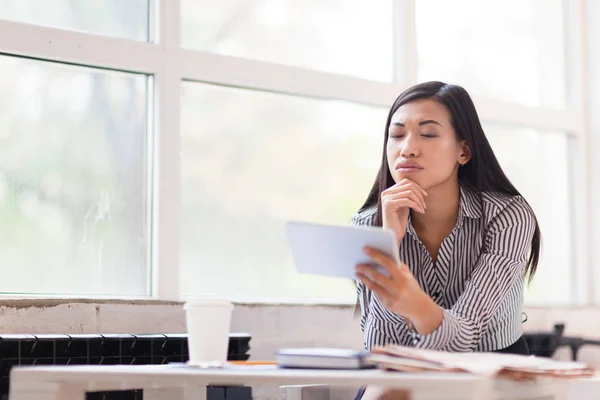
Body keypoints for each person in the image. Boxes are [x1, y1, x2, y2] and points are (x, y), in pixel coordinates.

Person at [352, 81, 541, 400]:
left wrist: (415, 304)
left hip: (493, 363)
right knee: (385, 389)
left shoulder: (508, 215)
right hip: (404, 368)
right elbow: (382, 348)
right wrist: (389, 244)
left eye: (427, 134)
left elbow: (464, 338)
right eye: (397, 135)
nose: (408, 148)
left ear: (463, 151)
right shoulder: (369, 223)